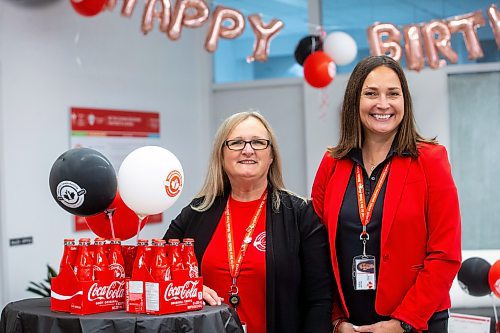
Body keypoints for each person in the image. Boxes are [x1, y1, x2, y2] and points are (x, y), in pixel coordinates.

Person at [311, 55, 461, 333]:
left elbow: (445, 253)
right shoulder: (331, 163)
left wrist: (402, 323)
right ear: (355, 101)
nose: (383, 104)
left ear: (405, 101)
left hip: (418, 323)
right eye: (371, 93)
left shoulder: (431, 160)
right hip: (349, 325)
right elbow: (317, 253)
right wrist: (335, 320)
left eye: (393, 94)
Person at [164, 111, 333, 333]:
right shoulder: (197, 212)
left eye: (258, 142)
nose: (248, 149)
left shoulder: (300, 214)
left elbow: (320, 301)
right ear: (221, 155)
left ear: (271, 155)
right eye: (236, 143)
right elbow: (157, 268)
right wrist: (189, 289)